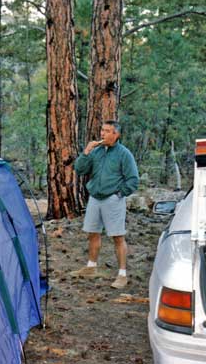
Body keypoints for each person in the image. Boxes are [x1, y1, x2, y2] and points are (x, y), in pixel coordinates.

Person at [71, 120, 139, 289]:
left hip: (112, 199)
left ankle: (122, 274)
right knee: (93, 233)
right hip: (95, 198)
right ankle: (91, 267)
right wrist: (86, 152)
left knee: (117, 236)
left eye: (107, 131)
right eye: (102, 130)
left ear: (116, 134)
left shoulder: (124, 154)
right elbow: (79, 170)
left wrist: (119, 194)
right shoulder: (96, 151)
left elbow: (133, 180)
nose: (102, 134)